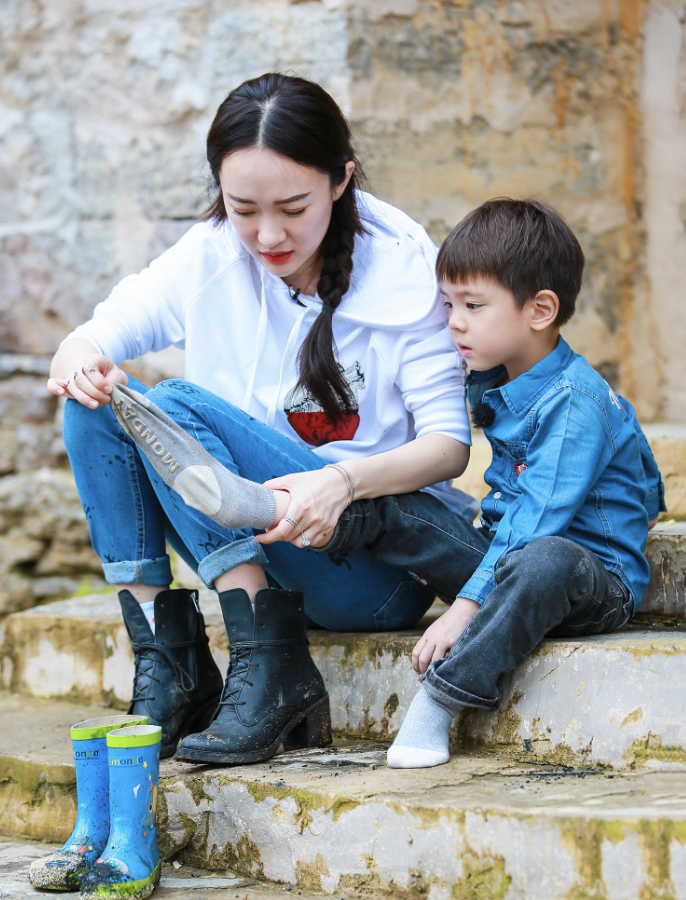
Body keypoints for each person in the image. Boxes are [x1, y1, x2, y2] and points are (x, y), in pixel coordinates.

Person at [47, 73, 476, 765]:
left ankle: (270, 664)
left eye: (292, 206)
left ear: (341, 180)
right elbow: (99, 334)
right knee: (97, 403)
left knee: (176, 406)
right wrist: (78, 358)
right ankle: (172, 659)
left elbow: (448, 447)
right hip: (258, 547)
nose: (267, 234)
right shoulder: (210, 254)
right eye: (243, 208)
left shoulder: (405, 272)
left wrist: (340, 482)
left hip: (366, 567)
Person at [311, 198, 667, 769]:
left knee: (544, 557)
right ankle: (301, 538)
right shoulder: (493, 377)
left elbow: (536, 526)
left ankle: (441, 701)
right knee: (401, 497)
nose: (453, 321)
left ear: (540, 309)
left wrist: (464, 608)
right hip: (503, 563)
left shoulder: (576, 401)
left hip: (585, 580)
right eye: (449, 303)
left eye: (473, 305)